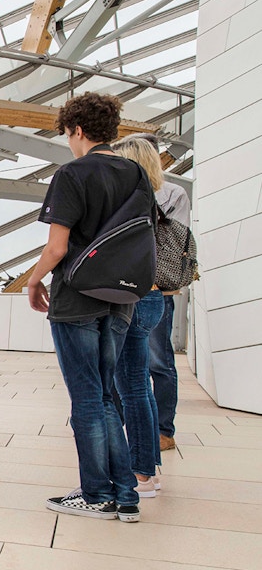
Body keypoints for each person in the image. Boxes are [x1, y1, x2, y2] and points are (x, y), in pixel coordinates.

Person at [27, 92, 152, 523]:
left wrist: (32, 278)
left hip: (78, 298)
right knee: (106, 395)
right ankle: (126, 496)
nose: (67, 141)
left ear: (77, 130)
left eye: (66, 133)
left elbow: (58, 246)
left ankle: (97, 494)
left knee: (87, 398)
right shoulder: (136, 173)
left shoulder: (72, 174)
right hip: (121, 299)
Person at [108, 136, 169, 497]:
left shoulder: (134, 202)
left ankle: (141, 474)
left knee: (130, 386)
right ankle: (150, 467)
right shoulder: (158, 201)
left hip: (134, 297)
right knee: (138, 387)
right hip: (155, 297)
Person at [125, 132, 190, 452]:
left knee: (158, 361)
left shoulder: (172, 193)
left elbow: (174, 244)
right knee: (123, 362)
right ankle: (129, 424)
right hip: (123, 288)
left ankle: (164, 429)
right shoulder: (120, 191)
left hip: (154, 290)